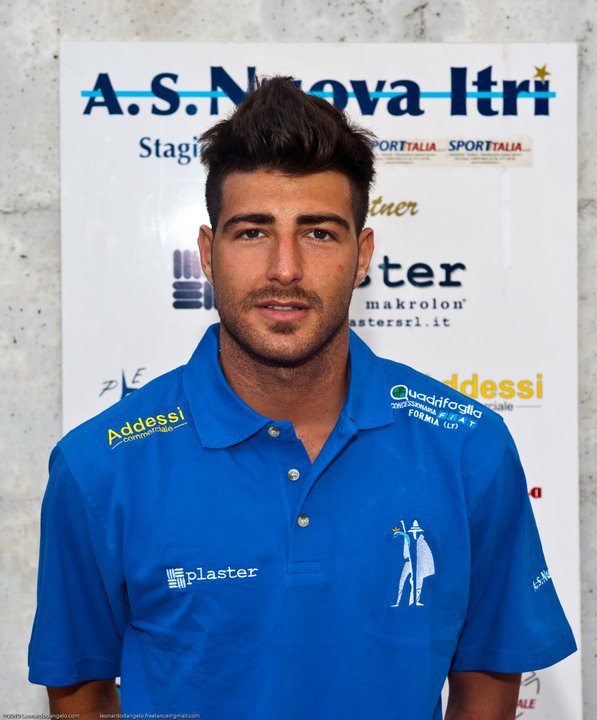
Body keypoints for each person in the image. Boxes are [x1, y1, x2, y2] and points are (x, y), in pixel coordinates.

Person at [29, 77, 576, 720]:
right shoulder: (99, 467)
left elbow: (488, 685)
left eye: (317, 233)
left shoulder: (467, 447)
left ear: (362, 256)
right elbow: (81, 693)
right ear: (207, 254)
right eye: (252, 232)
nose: (284, 268)